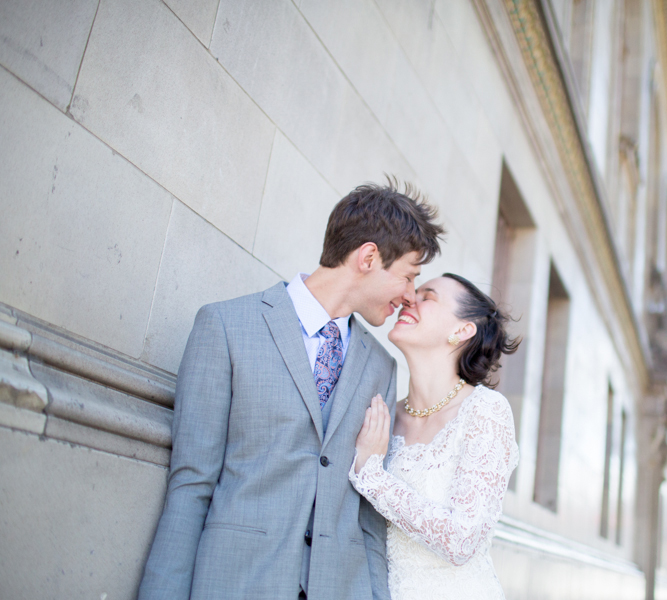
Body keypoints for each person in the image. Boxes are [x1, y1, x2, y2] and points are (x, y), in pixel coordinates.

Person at [138, 181, 444, 600]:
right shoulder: (226, 328)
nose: (409, 296)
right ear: (369, 257)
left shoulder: (382, 367)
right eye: (409, 276)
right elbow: (191, 486)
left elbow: (368, 520)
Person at [350, 273, 520, 600]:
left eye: (428, 296)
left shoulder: (485, 410)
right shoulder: (385, 412)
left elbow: (461, 540)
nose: (409, 297)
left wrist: (371, 476)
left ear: (461, 330)